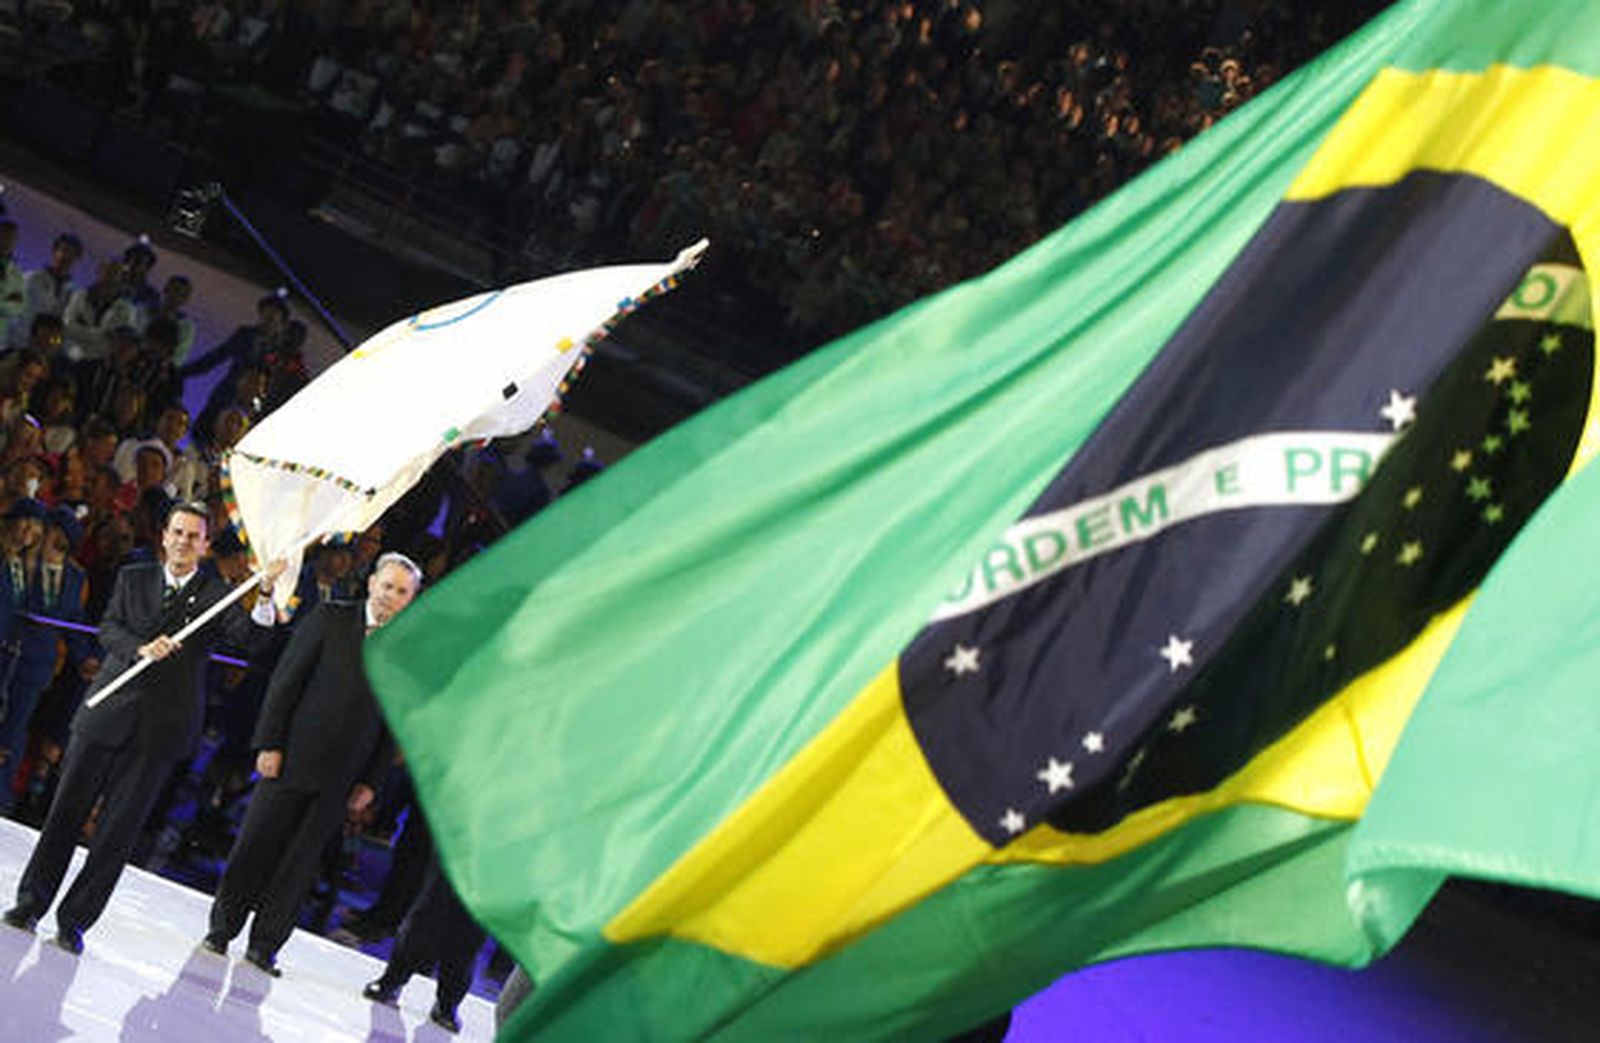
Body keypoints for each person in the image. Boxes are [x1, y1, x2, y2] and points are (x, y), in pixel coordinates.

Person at [1, 502, 285, 954]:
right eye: (177, 532)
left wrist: (266, 593)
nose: (184, 542)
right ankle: (30, 903)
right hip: (105, 715)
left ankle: (75, 921)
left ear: (205, 545)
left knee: (116, 835)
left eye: (194, 536)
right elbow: (109, 629)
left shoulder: (217, 593)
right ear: (164, 537)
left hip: (160, 731)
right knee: (63, 816)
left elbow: (251, 641)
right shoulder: (133, 578)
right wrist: (140, 650)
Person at [203, 552, 421, 976]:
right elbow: (287, 680)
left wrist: (372, 783)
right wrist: (270, 742)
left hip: (342, 777)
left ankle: (266, 945)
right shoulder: (331, 617)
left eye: (402, 591)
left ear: (411, 599)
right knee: (255, 845)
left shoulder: (407, 652)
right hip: (290, 757)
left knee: (301, 863)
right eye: (388, 585)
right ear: (372, 582)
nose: (392, 596)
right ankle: (222, 929)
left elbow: (393, 725)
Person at [362, 837, 489, 1034]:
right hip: (466, 827)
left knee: (473, 924)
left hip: (510, 838)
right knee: (431, 905)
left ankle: (448, 1001)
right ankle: (393, 979)